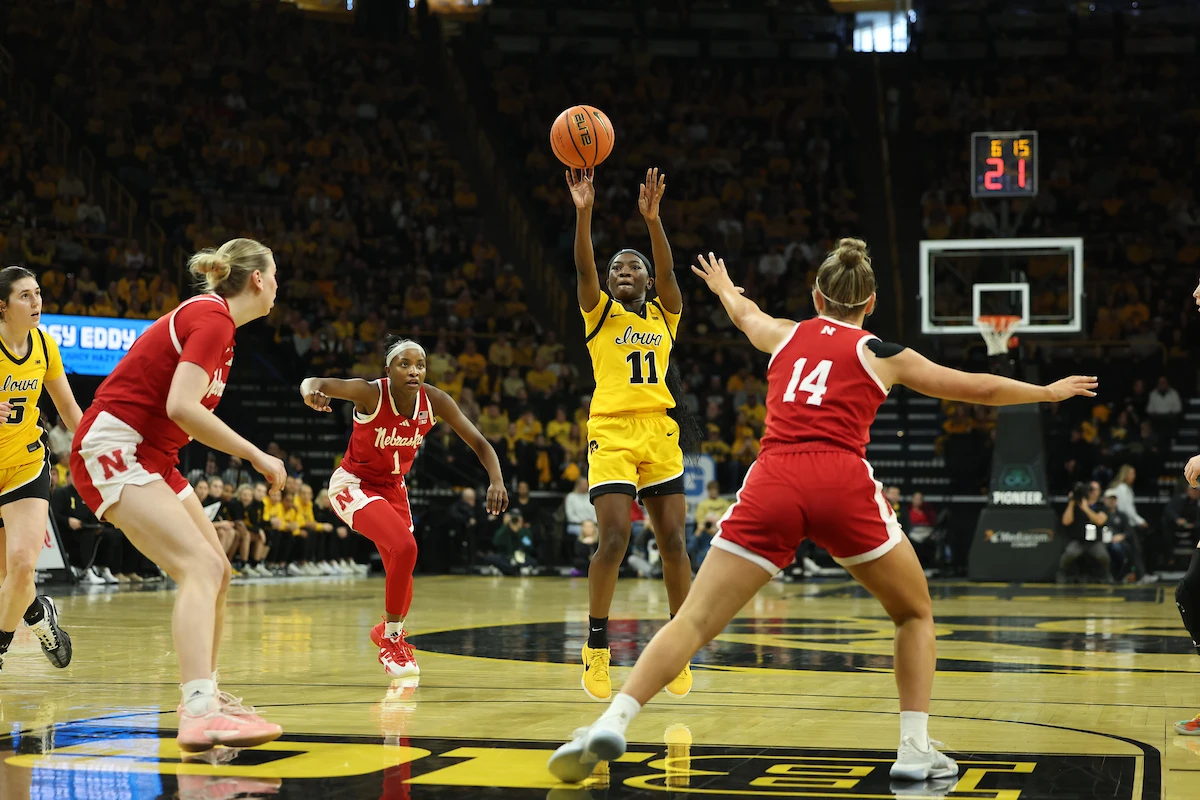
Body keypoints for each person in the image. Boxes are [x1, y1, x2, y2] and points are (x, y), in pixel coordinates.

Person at [549, 241, 1098, 783]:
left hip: (776, 478)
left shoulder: (786, 333)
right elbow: (973, 387)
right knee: (914, 614)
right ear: (870, 303)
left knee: (691, 619)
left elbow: (745, 314)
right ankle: (913, 748)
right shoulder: (883, 352)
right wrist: (1047, 393)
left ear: (816, 296)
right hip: (840, 479)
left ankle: (614, 719)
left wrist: (720, 288)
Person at [69, 238, 287, 752]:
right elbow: (183, 406)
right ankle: (197, 711)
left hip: (153, 457)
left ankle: (207, 694)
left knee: (220, 568)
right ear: (256, 278)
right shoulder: (212, 319)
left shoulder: (219, 325)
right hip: (116, 446)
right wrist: (256, 454)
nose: (279, 285)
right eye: (275, 274)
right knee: (201, 569)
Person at [300, 335, 508, 678]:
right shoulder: (371, 393)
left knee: (404, 571)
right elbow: (316, 382)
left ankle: (385, 631)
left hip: (394, 489)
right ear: (388, 369)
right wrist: (310, 392)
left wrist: (496, 480)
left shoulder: (435, 400)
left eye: (420, 365)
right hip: (354, 485)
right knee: (406, 546)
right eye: (405, 364)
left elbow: (480, 444)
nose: (414, 371)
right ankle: (392, 643)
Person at [566, 166, 697, 701]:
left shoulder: (666, 315)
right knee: (615, 538)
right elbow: (583, 268)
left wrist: (653, 221)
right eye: (617, 265)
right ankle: (597, 645)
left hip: (658, 431)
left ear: (646, 281)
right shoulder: (600, 315)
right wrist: (583, 212)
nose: (623, 270)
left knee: (672, 543)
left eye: (633, 267)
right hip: (613, 432)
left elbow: (669, 272)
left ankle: (679, 646)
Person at [0, 266, 83, 673]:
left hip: (25, 463)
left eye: (37, 294)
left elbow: (68, 409)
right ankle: (41, 618)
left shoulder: (45, 346)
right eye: (25, 297)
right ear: (2, 306)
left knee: (21, 564)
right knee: (10, 582)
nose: (36, 303)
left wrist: (92, 448)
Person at [1057, 481, 1111, 583]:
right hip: (1079, 540)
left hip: (1095, 541)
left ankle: (1106, 575)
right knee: (1069, 554)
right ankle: (1062, 573)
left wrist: (1086, 508)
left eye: (1094, 490)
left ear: (1099, 492)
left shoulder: (1101, 506)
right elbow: (1066, 521)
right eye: (1090, 489)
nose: (1092, 492)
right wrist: (1072, 502)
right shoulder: (1076, 505)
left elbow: (1099, 521)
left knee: (1103, 556)